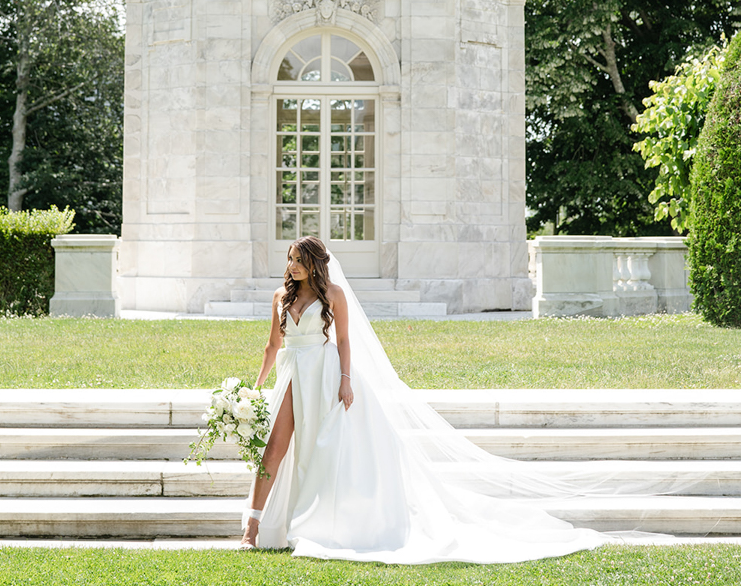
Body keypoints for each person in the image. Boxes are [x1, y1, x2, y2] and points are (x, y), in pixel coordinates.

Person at [238, 235, 666, 564]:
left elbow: (345, 341)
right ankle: (252, 530)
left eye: (298, 260)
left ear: (314, 264)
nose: (291, 266)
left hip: (325, 376)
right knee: (272, 451)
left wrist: (346, 380)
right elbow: (272, 347)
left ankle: (318, 525)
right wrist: (256, 390)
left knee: (325, 453)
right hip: (292, 376)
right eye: (290, 260)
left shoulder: (334, 297)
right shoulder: (280, 297)